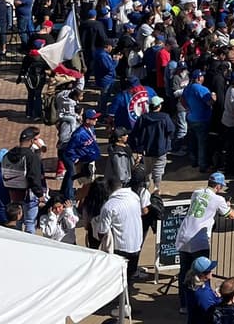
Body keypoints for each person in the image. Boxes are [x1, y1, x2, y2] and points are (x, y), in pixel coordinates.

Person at [175, 173, 234, 314]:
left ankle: (184, 304)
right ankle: (204, 302)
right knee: (204, 272)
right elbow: (230, 215)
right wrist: (228, 207)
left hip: (184, 236)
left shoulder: (196, 192)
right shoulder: (218, 199)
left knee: (185, 272)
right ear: (218, 186)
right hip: (199, 240)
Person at [95, 177, 144, 319]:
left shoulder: (109, 206)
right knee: (129, 277)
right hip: (136, 243)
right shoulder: (134, 197)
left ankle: (122, 308)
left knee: (120, 279)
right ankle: (126, 306)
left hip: (121, 247)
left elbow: (102, 232)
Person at [2, 126, 47, 233]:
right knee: (30, 222)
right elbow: (34, 177)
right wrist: (40, 194)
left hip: (14, 193)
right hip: (29, 194)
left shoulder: (8, 154)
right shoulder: (32, 157)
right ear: (32, 141)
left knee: (18, 221)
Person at [129, 93, 176, 191]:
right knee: (158, 170)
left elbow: (135, 133)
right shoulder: (165, 117)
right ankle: (156, 189)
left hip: (146, 150)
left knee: (147, 170)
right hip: (161, 150)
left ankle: (146, 189)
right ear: (159, 106)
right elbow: (171, 131)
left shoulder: (143, 118)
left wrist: (138, 147)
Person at [60, 109, 101, 202]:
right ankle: (70, 197)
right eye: (94, 118)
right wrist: (76, 159)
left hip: (88, 159)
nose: (96, 120)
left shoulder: (91, 129)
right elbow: (70, 149)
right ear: (87, 120)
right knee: (77, 176)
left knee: (81, 177)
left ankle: (65, 192)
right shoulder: (78, 134)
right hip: (79, 160)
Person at [181, 69, 216, 172]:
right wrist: (214, 97)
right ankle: (203, 165)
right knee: (202, 144)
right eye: (202, 76)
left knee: (192, 142)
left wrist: (187, 108)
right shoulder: (202, 89)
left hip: (191, 118)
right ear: (199, 78)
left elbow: (182, 100)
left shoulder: (188, 88)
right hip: (202, 120)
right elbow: (210, 102)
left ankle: (193, 161)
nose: (203, 78)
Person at [185, 255, 221, 324]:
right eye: (209, 271)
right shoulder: (203, 293)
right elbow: (212, 313)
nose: (211, 273)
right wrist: (219, 298)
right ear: (202, 275)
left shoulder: (191, 283)